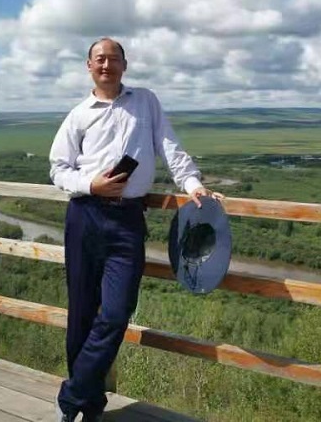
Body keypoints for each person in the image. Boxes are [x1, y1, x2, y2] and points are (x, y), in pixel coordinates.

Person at [50, 37, 222, 422]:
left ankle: (70, 397)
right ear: (89, 66)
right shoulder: (78, 115)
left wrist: (193, 185)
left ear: (124, 65)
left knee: (116, 312)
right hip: (84, 215)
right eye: (99, 59)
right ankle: (90, 405)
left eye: (113, 59)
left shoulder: (146, 101)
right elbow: (58, 169)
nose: (106, 65)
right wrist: (91, 184)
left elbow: (170, 147)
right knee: (81, 314)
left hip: (127, 220)